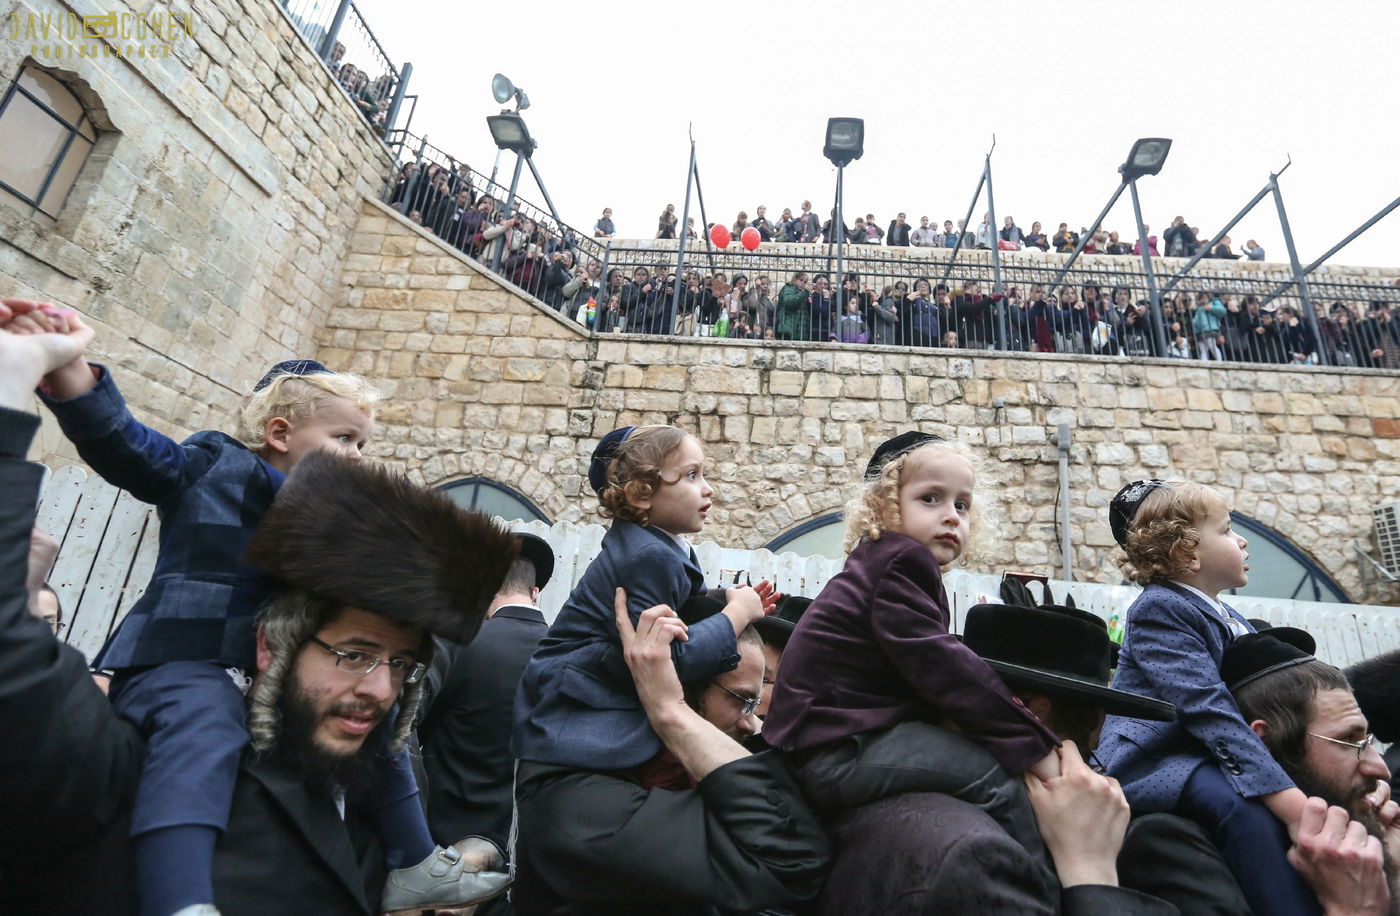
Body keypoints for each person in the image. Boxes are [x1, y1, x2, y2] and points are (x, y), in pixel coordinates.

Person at [0, 316, 520, 912]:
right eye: (345, 439)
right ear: (278, 431)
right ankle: (183, 897)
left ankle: (416, 863)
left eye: (363, 445)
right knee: (205, 736)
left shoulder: (334, 523)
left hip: (266, 678)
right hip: (187, 661)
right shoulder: (214, 466)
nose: (357, 457)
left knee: (387, 735)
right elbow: (128, 446)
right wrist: (71, 376)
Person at [764, 433, 1064, 884]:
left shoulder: (883, 562)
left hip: (830, 743)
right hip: (837, 749)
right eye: (931, 498)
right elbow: (946, 669)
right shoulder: (899, 561)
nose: (951, 516)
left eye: (962, 505)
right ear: (885, 508)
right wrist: (1036, 748)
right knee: (994, 778)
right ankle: (1045, 886)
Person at [811, 581, 1179, 915]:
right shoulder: (982, 857)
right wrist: (1092, 875)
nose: (1094, 761)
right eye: (1092, 737)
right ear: (1034, 712)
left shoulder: (882, 787)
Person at [511, 591, 830, 915]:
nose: (751, 723)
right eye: (741, 700)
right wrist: (670, 710)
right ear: (676, 685)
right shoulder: (582, 797)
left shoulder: (666, 769)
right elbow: (793, 857)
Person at [1098, 479, 1322, 916]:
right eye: (1226, 530)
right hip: (1163, 757)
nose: (1241, 541)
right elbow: (1205, 706)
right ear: (1187, 552)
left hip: (1205, 749)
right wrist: (1287, 800)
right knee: (1242, 811)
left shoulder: (1228, 614)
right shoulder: (1159, 608)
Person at [512, 425, 770, 774]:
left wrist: (725, 598)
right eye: (691, 475)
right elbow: (666, 662)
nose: (708, 488)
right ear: (641, 494)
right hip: (579, 717)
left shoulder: (661, 547)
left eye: (704, 474)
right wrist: (737, 614)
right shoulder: (647, 555)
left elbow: (683, 607)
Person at [418, 532, 553, 876]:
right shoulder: (568, 654)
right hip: (529, 850)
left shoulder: (458, 644)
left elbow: (409, 729)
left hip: (447, 843)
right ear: (535, 592)